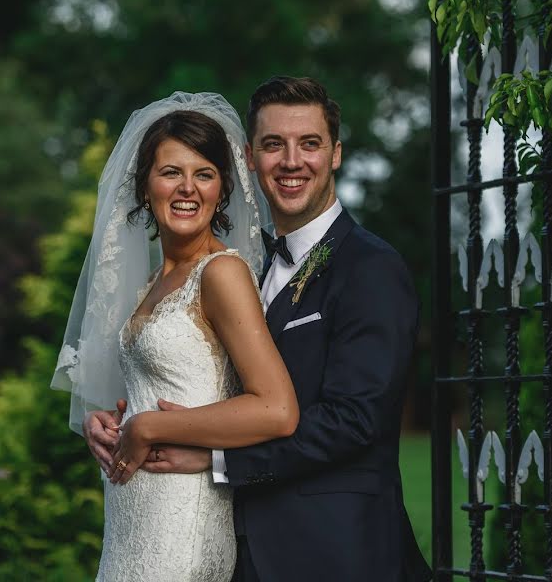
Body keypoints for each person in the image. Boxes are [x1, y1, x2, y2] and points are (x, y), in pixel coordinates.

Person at [84, 77, 433, 582]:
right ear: (249, 158)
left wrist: (215, 460)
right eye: (274, 144)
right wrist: (125, 416)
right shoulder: (246, 265)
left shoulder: (370, 268)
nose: (292, 161)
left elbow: (354, 421)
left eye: (309, 143)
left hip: (332, 553)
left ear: (335, 154)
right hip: (237, 545)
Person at [52, 92, 300, 582]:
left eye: (204, 174)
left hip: (182, 520)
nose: (187, 188)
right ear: (146, 186)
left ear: (222, 188)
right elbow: (161, 390)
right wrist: (110, 423)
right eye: (171, 172)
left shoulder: (221, 273)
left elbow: (277, 408)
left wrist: (148, 428)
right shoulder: (155, 282)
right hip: (133, 515)